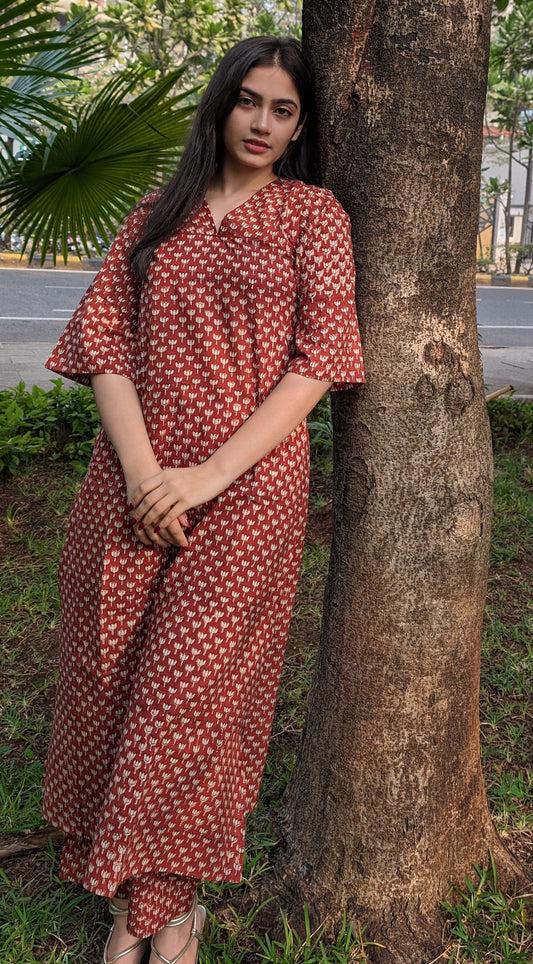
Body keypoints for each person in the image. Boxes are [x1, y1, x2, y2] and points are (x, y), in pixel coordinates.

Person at [42, 35, 365, 964]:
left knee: (192, 694)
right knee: (111, 677)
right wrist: (148, 477)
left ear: (299, 125)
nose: (261, 123)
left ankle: (154, 910)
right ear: (220, 105)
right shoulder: (156, 213)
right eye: (248, 102)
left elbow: (320, 364)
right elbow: (103, 343)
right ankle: (140, 894)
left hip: (246, 492)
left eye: (283, 109)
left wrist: (204, 477)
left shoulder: (313, 217)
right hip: (130, 484)